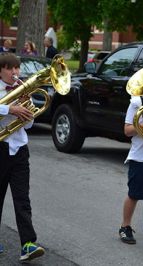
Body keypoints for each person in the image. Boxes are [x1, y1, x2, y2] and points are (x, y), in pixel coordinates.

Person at [0, 53, 45, 261]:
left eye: (17, 69)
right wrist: (10, 108)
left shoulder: (21, 92)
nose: (15, 73)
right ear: (1, 70)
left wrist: (26, 111)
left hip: (19, 150)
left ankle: (28, 244)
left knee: (22, 199)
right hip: (0, 149)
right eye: (10, 69)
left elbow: (28, 126)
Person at [118, 95, 143, 244]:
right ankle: (125, 226)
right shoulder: (137, 102)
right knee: (134, 194)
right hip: (141, 156)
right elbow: (127, 130)